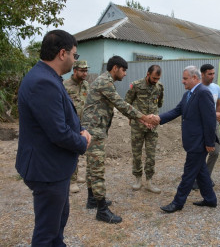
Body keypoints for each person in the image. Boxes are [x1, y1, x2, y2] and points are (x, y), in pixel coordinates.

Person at [15, 30, 91, 246]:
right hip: (47, 169)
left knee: (57, 223)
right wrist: (83, 141)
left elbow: (63, 116)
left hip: (52, 167)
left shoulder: (48, 77)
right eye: (74, 55)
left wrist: (81, 129)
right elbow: (58, 131)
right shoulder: (43, 82)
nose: (75, 60)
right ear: (62, 53)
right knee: (47, 232)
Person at [82, 55, 155, 224]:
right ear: (115, 68)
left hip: (93, 129)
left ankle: (92, 199)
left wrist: (140, 118)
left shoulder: (105, 81)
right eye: (123, 70)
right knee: (97, 167)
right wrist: (143, 117)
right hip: (94, 130)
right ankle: (101, 210)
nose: (125, 74)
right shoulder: (105, 82)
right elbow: (121, 104)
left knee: (91, 165)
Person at [150, 65, 217, 213]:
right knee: (201, 172)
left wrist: (209, 143)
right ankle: (211, 199)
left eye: (185, 78)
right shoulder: (188, 94)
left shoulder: (203, 93)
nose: (182, 81)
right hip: (192, 141)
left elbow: (210, 120)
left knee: (188, 173)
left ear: (194, 78)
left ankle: (177, 203)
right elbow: (177, 111)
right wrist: (158, 118)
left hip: (199, 143)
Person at [125, 65, 164, 193]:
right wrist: (135, 118)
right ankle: (137, 179)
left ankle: (149, 181)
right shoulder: (136, 85)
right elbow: (127, 104)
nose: (155, 81)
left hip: (152, 127)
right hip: (138, 126)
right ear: (147, 74)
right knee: (136, 154)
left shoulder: (159, 87)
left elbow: (159, 104)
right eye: (153, 78)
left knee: (151, 155)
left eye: (158, 78)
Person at [192, 64, 220, 190]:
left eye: (213, 73)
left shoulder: (216, 88)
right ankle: (198, 178)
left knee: (215, 152)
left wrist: (217, 119)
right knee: (200, 153)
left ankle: (205, 177)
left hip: (213, 125)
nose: (212, 76)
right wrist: (213, 115)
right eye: (209, 74)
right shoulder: (196, 88)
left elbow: (218, 105)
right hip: (200, 126)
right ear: (202, 74)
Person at [64, 60, 90, 193]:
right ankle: (71, 180)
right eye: (82, 71)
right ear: (75, 71)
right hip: (70, 123)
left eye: (86, 71)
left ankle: (77, 174)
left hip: (82, 123)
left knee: (80, 149)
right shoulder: (65, 85)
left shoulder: (85, 85)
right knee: (72, 150)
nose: (85, 73)